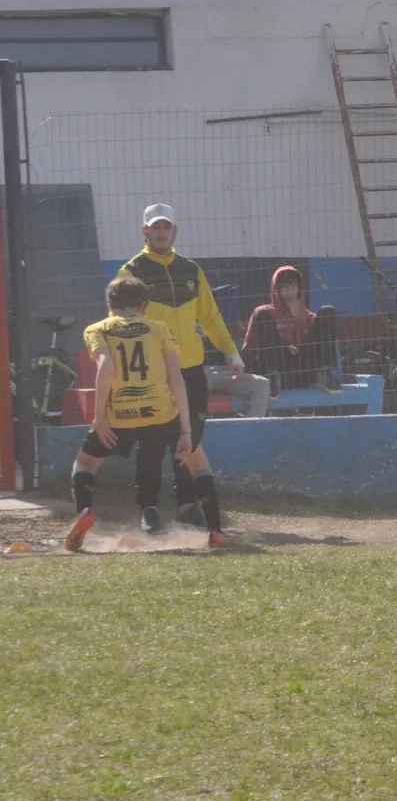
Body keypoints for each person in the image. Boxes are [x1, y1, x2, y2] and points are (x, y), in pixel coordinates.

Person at [64, 276, 229, 551]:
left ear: (110, 305)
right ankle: (214, 531)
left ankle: (84, 511)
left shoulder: (98, 329)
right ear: (144, 305)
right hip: (161, 414)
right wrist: (186, 430)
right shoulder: (159, 328)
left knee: (85, 463)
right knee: (198, 463)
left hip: (120, 416)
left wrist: (100, 418)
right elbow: (176, 379)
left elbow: (105, 369)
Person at [120, 203, 243, 529]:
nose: (161, 233)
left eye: (167, 227)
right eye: (155, 227)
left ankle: (187, 503)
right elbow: (119, 323)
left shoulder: (192, 270)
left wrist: (231, 351)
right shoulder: (131, 272)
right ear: (144, 230)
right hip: (152, 372)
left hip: (190, 368)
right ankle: (148, 508)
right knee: (151, 439)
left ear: (175, 230)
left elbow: (211, 317)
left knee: (191, 436)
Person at [241, 265, 343, 397]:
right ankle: (271, 378)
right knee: (262, 313)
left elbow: (319, 340)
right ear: (276, 289)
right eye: (284, 286)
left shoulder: (308, 316)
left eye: (293, 285)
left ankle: (324, 374)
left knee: (328, 312)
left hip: (304, 371)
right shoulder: (266, 312)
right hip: (279, 369)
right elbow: (249, 349)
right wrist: (282, 346)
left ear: (299, 288)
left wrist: (297, 317)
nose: (289, 290)